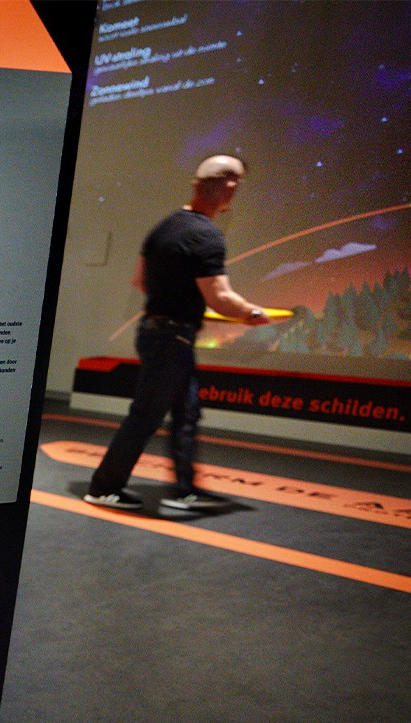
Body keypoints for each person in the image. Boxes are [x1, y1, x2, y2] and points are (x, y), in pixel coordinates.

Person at [84, 154, 273, 512]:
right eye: (235, 185)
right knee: (146, 415)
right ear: (228, 190)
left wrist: (176, 297)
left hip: (160, 334)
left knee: (186, 413)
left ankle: (185, 489)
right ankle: (103, 487)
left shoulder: (165, 227)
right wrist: (251, 312)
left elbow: (139, 280)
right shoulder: (207, 235)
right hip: (171, 338)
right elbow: (219, 297)